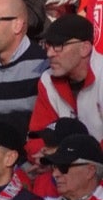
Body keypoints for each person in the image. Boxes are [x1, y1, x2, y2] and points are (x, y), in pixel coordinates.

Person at [28, 14, 103, 149]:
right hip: (62, 163)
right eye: (48, 45)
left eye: (58, 45)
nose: (49, 53)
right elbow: (37, 136)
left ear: (85, 48)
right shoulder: (47, 79)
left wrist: (76, 156)